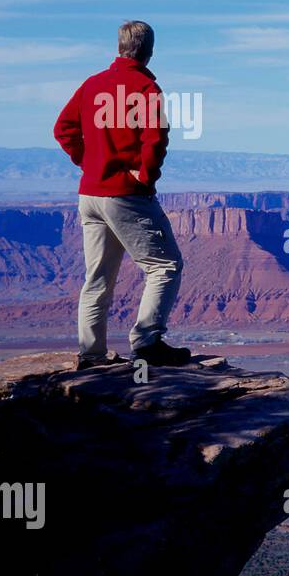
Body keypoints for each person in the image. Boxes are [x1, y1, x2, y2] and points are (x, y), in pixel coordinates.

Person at [53, 21, 190, 369]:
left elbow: (63, 128)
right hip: (126, 194)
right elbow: (155, 139)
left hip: (90, 195)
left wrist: (89, 163)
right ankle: (146, 342)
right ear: (149, 50)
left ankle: (91, 355)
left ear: (119, 47)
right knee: (165, 266)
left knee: (97, 277)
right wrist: (145, 178)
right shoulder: (146, 88)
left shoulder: (92, 84)